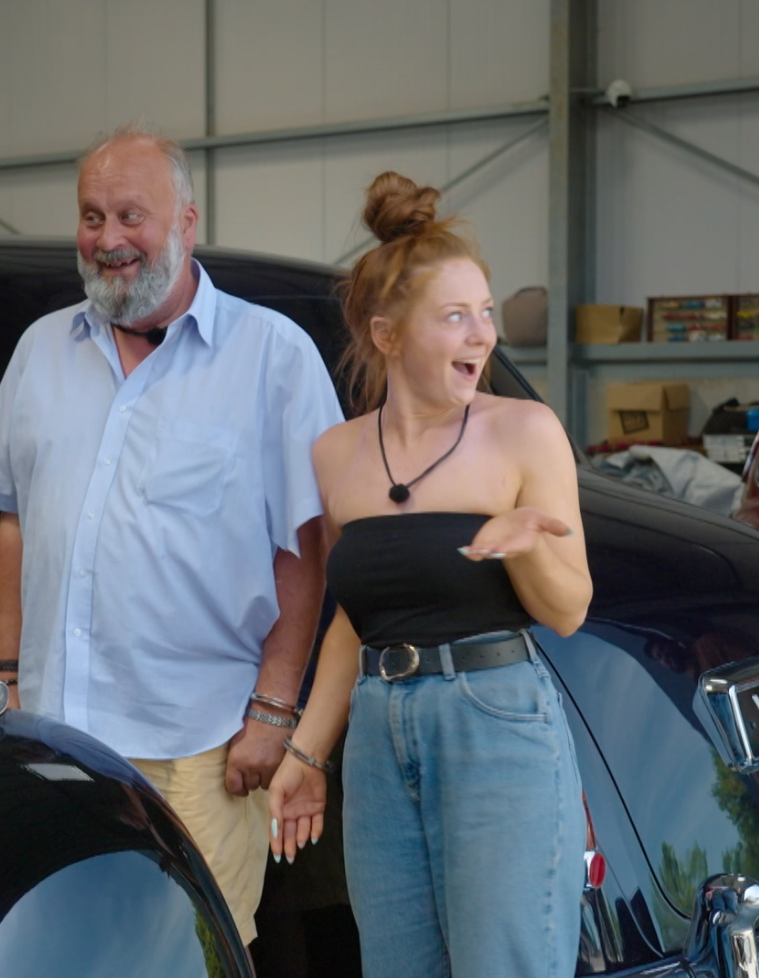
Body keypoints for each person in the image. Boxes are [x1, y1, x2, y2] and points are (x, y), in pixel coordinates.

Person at [0, 123, 344, 946]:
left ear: (186, 222)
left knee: (188, 955)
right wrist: (7, 676)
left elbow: (303, 551)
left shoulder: (272, 357)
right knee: (63, 947)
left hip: (198, 745)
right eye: (91, 217)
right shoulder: (40, 350)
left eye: (131, 216)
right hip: (57, 737)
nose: (109, 240)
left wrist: (276, 709)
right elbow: (15, 525)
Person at [267, 172, 592, 978]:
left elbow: (570, 611)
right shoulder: (336, 455)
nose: (482, 335)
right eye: (456, 317)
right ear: (388, 334)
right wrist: (306, 759)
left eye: (484, 313)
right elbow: (354, 621)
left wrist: (527, 548)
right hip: (379, 728)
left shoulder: (525, 432)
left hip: (496, 719)